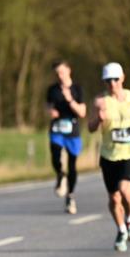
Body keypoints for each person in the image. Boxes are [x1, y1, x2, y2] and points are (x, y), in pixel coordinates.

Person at [87, 62, 130, 252]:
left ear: (122, 78)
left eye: (115, 79)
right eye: (108, 80)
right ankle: (121, 229)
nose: (112, 83)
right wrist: (98, 120)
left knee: (125, 190)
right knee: (114, 199)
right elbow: (90, 128)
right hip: (109, 155)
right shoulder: (100, 101)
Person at [46, 60, 86, 214]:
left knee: (72, 164)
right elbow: (48, 106)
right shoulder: (52, 89)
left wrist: (70, 100)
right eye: (57, 73)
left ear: (69, 71)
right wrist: (50, 111)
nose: (59, 76)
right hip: (56, 128)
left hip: (72, 130)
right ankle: (60, 175)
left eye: (62, 72)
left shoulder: (77, 89)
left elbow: (82, 112)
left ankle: (70, 196)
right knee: (55, 154)